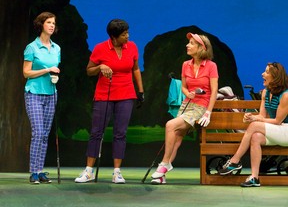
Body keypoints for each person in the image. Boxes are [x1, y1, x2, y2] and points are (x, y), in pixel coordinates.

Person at [75, 19, 144, 184]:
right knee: (97, 132)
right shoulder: (100, 48)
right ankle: (89, 171)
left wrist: (140, 91)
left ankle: (117, 172)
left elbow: (135, 69)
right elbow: (89, 71)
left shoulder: (132, 47)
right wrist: (100, 67)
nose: (127, 36)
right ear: (113, 37)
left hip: (126, 94)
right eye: (124, 34)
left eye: (127, 33)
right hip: (104, 94)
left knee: (120, 133)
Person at [151, 33, 219, 184]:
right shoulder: (185, 65)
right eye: (188, 42)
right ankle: (161, 177)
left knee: (170, 125)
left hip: (201, 107)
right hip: (187, 104)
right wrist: (188, 93)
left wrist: (208, 113)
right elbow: (183, 87)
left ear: (201, 47)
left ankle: (164, 164)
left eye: (192, 43)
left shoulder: (211, 66)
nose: (187, 45)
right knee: (177, 138)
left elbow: (214, 91)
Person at [219, 62, 288, 187]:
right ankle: (254, 178)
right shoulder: (266, 93)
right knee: (255, 136)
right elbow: (262, 116)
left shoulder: (286, 95)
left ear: (275, 76)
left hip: (285, 130)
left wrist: (255, 121)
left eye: (266, 72)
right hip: (277, 130)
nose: (262, 74)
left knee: (255, 126)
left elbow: (278, 121)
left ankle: (235, 161)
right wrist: (252, 117)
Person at [23, 12, 61, 184]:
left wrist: (54, 74)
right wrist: (46, 70)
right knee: (37, 132)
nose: (52, 25)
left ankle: (40, 170)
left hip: (51, 94)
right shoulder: (32, 47)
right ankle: (33, 171)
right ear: (41, 25)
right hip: (34, 94)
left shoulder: (57, 48)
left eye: (53, 23)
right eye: (48, 22)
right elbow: (26, 73)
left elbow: (55, 69)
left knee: (45, 134)